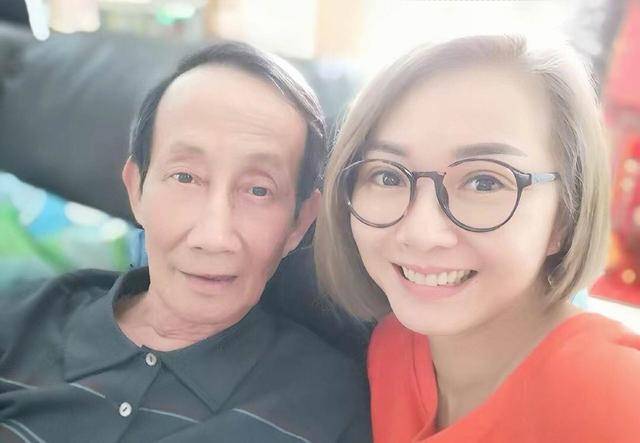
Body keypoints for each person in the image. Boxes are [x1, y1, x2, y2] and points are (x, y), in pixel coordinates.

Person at [0, 41, 371, 442]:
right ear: (137, 190)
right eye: (185, 177)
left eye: (258, 190)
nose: (214, 237)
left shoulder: (328, 406)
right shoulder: (19, 322)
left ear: (299, 222)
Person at [315, 34, 640, 442]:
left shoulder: (616, 398)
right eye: (387, 176)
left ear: (565, 214)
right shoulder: (392, 347)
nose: (421, 233)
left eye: (484, 182)